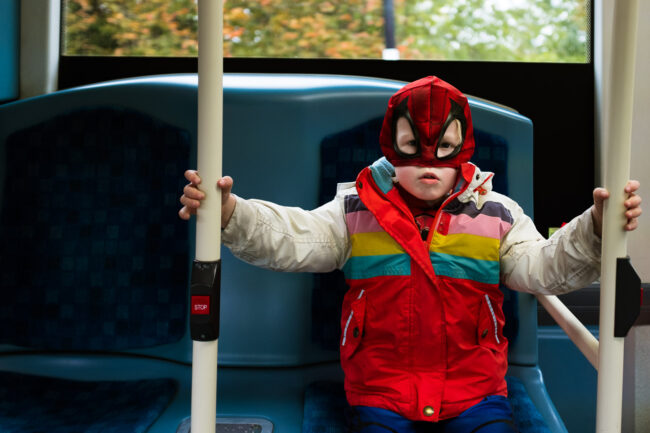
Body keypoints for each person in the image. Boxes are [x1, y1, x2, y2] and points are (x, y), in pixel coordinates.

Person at [179, 76, 642, 432]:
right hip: (380, 388)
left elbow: (542, 267)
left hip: (476, 390)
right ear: (392, 146)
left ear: (463, 148)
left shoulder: (496, 213)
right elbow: (295, 238)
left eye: (443, 148)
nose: (427, 163)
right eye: (412, 148)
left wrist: (595, 229)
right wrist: (231, 215)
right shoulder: (355, 210)